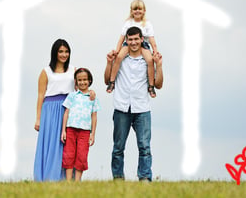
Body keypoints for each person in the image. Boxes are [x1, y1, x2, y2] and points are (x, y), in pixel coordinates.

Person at [104, 26, 163, 181]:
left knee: (144, 147)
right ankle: (118, 179)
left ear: (142, 39)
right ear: (126, 41)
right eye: (130, 39)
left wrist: (160, 66)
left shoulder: (148, 60)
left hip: (142, 108)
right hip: (121, 107)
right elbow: (106, 79)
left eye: (136, 39)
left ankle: (144, 178)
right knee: (118, 148)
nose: (133, 42)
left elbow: (158, 84)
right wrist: (109, 63)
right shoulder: (120, 59)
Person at [33, 39, 95, 181]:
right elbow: (41, 95)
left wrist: (92, 93)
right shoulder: (46, 72)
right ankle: (48, 177)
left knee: (67, 145)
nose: (64, 54)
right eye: (61, 51)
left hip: (69, 109)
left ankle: (66, 179)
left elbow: (82, 87)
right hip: (50, 109)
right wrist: (38, 118)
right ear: (55, 52)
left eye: (66, 51)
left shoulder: (73, 70)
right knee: (51, 143)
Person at [106, 0, 158, 98]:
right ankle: (112, 82)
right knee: (119, 58)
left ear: (144, 11)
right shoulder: (128, 23)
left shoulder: (147, 24)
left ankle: (151, 86)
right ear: (131, 11)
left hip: (143, 44)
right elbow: (121, 38)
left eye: (140, 9)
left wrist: (155, 51)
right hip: (128, 44)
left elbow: (152, 40)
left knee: (150, 61)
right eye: (135, 9)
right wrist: (117, 51)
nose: (137, 11)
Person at [61, 68, 100, 181]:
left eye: (85, 80)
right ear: (76, 81)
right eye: (80, 80)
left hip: (85, 131)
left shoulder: (93, 98)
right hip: (70, 129)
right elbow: (66, 113)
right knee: (69, 154)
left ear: (89, 80)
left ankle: (77, 181)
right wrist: (63, 130)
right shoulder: (72, 96)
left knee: (82, 156)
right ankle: (68, 181)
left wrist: (93, 134)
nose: (82, 82)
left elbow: (94, 116)